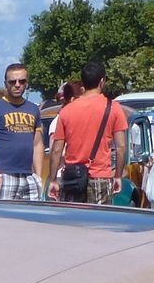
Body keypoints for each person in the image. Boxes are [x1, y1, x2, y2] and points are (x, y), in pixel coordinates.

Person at [47, 61, 127, 205]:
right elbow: (121, 147)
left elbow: (56, 150)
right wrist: (118, 176)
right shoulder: (114, 108)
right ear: (102, 81)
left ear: (83, 82)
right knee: (98, 224)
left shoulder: (66, 111)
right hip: (100, 177)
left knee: (72, 223)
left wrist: (52, 179)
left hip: (72, 178)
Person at [0, 64, 45, 200]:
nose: (17, 85)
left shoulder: (33, 109)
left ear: (26, 83)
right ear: (6, 83)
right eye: (12, 81)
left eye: (22, 81)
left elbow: (38, 144)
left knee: (33, 219)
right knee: (5, 220)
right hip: (5, 176)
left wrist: (38, 176)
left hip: (29, 177)